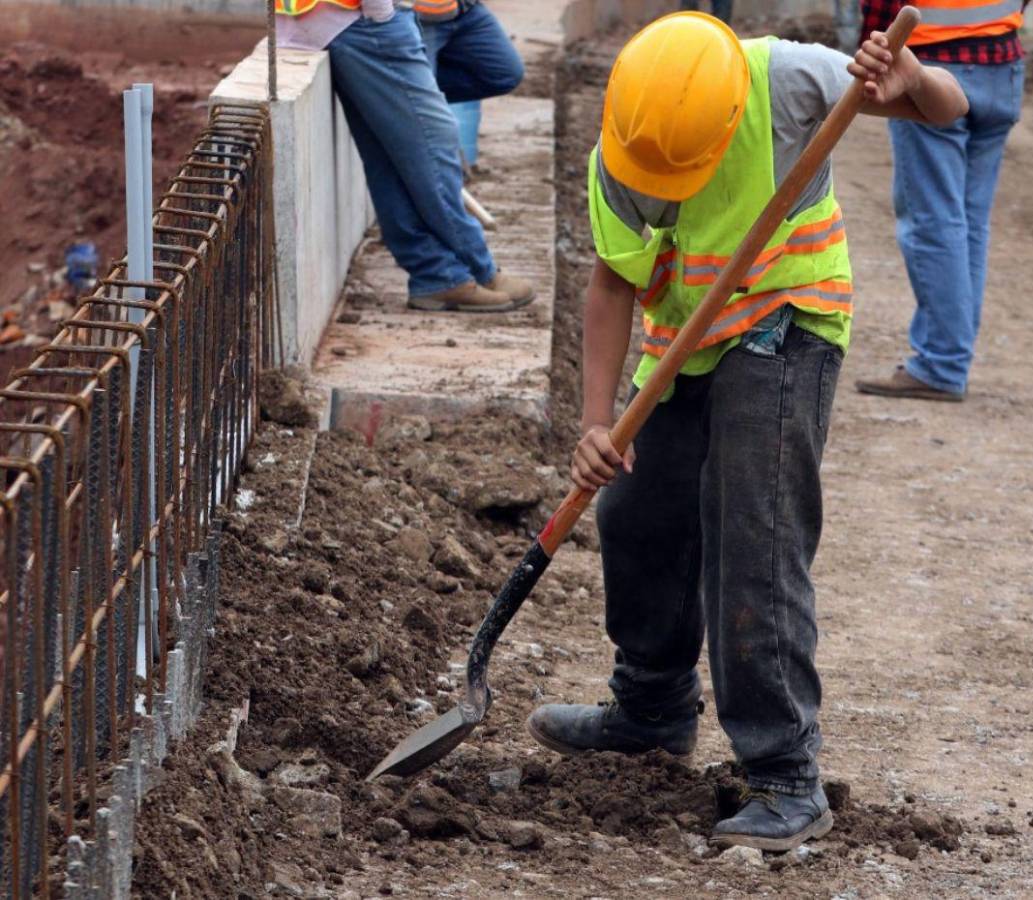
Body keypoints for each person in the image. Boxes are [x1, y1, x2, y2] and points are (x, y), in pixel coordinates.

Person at [525, 13, 966, 850]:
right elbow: (614, 285)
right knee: (637, 511)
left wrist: (911, 78)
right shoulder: (624, 147)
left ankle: (785, 775)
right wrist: (594, 424)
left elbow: (946, 110)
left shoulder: (788, 79)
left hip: (787, 323)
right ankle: (652, 709)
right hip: (685, 342)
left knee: (752, 537)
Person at [274, 0, 534, 313]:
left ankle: (437, 275)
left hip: (332, 19)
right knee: (433, 145)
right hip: (363, 19)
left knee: (387, 159)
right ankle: (476, 267)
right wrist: (383, 13)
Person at [854, 0, 1027, 401]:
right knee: (969, 222)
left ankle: (942, 364)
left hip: (931, 70)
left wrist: (874, 57)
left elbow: (883, 6)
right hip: (1004, 63)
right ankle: (951, 357)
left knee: (933, 222)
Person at [414, 1, 525, 176]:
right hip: (420, 17)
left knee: (505, 74)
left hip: (464, 8)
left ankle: (416, 94)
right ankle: (416, 98)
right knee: (423, 118)